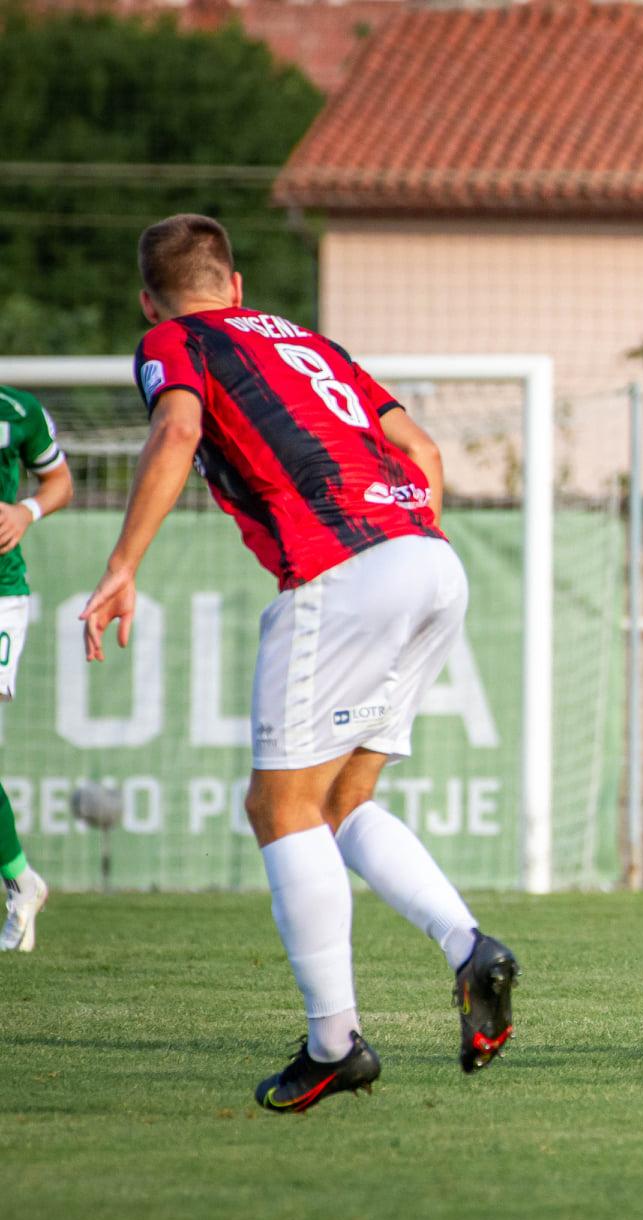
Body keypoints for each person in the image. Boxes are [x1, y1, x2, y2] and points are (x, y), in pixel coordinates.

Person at [80, 214, 521, 1112]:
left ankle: (335, 1043)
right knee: (341, 801)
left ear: (148, 300)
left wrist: (123, 564)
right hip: (432, 559)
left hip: (342, 570)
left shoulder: (174, 340)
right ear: (236, 284)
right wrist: (399, 544)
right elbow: (423, 451)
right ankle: (471, 950)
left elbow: (173, 435)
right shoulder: (307, 340)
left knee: (277, 806)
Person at [0, 385, 73, 952]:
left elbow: (60, 482)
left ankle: (22, 884)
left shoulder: (18, 410)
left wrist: (26, 510)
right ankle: (23, 882)